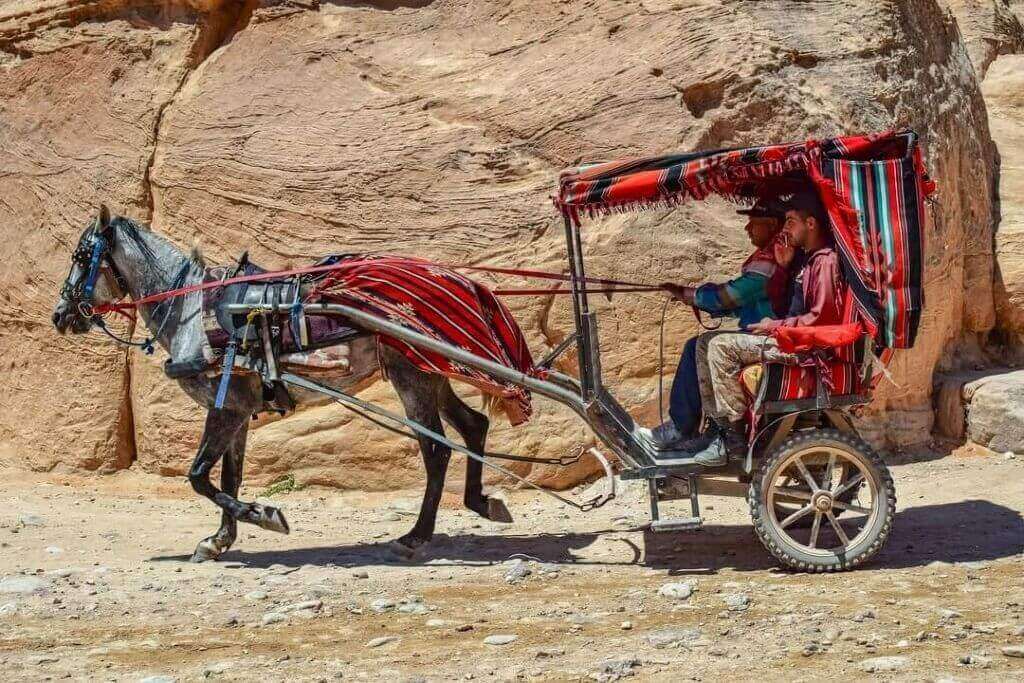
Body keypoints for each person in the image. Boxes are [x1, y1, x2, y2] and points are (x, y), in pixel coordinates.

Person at [687, 190, 846, 466]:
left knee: (719, 347)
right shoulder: (806, 260)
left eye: (790, 221)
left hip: (807, 347)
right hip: (792, 338)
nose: (785, 228)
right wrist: (783, 269)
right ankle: (717, 429)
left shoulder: (826, 261)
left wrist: (775, 326)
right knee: (704, 343)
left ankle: (732, 438)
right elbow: (789, 306)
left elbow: (821, 319)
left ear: (810, 224)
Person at [644, 199, 791, 450]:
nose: (747, 229)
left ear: (772, 225)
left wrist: (691, 295)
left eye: (753, 223)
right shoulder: (772, 257)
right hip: (761, 331)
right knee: (696, 345)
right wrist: (692, 297)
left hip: (774, 336)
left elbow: (730, 296)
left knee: (708, 345)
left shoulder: (769, 261)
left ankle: (720, 431)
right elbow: (741, 302)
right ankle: (690, 427)